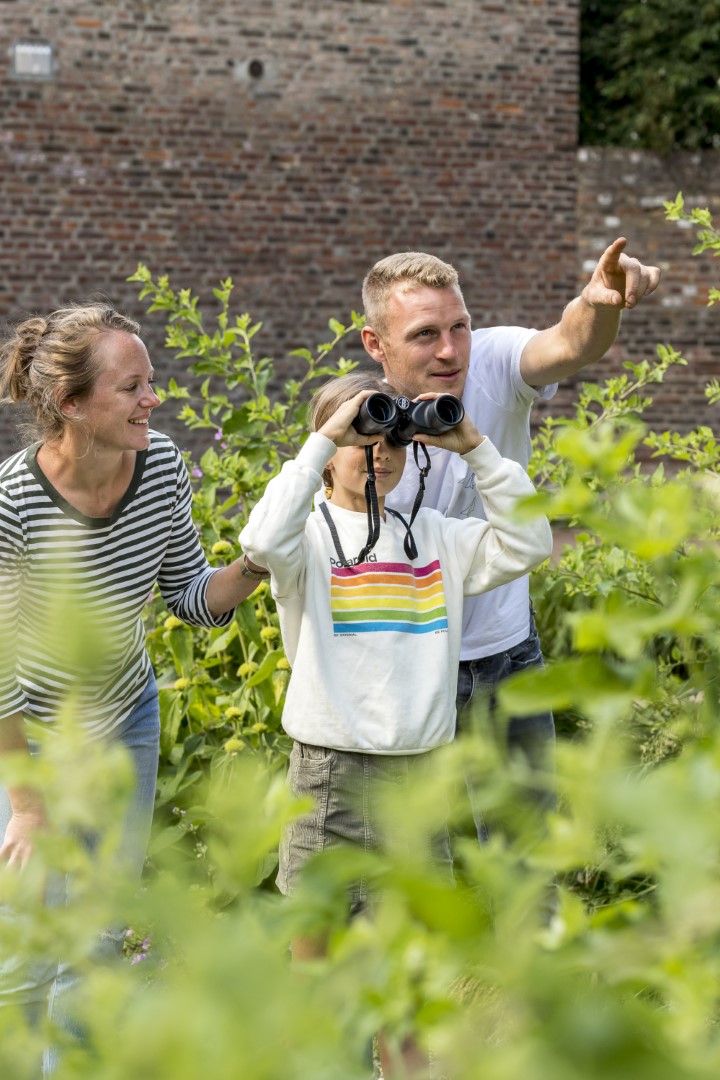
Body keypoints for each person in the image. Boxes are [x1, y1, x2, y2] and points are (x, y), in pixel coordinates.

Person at [239, 370, 552, 1076]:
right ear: (329, 446)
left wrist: (471, 444)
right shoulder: (307, 538)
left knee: (407, 985)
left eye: (393, 438)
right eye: (362, 435)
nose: (378, 451)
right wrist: (322, 441)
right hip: (328, 774)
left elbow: (530, 542)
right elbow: (257, 543)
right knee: (314, 974)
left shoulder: (439, 536)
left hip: (418, 778)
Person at [0, 303, 264, 1073]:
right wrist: (28, 803)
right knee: (25, 945)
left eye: (152, 382)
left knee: (101, 938)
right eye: (133, 386)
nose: (155, 399)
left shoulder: (161, 469)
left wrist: (258, 562)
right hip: (29, 741)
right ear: (73, 405)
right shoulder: (12, 501)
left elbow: (189, 597)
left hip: (126, 722)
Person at [359, 240, 661, 837]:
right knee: (415, 861)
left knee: (528, 855)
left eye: (459, 327)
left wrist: (600, 304)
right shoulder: (358, 413)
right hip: (408, 660)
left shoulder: (492, 360)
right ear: (376, 344)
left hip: (507, 656)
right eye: (424, 335)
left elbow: (570, 342)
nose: (450, 351)